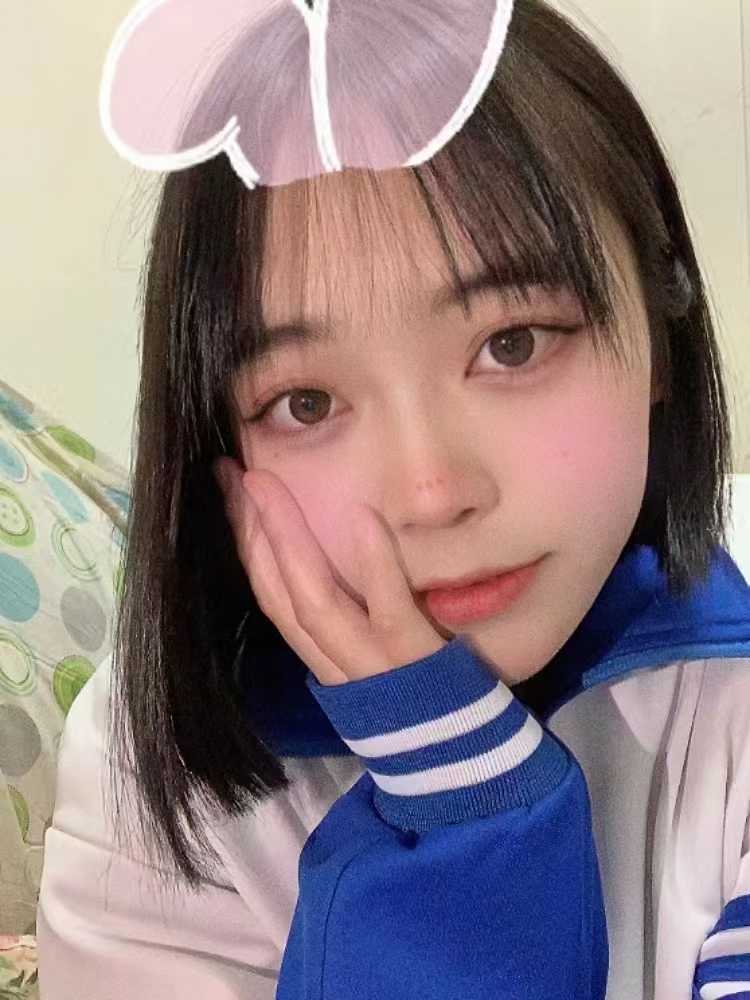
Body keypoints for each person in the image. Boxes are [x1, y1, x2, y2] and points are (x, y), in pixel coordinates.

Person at [37, 0, 750, 997]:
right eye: (306, 402)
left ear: (659, 336)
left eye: (512, 344)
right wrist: (468, 823)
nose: (431, 491)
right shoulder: (150, 769)